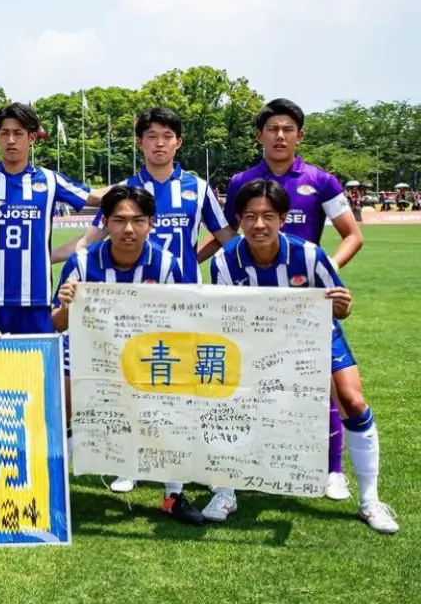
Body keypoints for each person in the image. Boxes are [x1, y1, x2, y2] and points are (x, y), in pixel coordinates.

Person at [56, 106, 234, 494]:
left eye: (166, 136)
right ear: (140, 143)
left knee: (178, 384)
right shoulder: (127, 190)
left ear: (178, 142)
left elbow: (225, 239)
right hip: (130, 304)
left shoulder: (198, 187)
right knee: (128, 380)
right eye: (151, 136)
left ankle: (181, 464)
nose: (159, 143)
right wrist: (50, 258)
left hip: (184, 296)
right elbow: (92, 238)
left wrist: (210, 266)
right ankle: (129, 463)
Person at [206, 179, 398, 534]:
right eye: (250, 217)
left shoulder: (309, 254)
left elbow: (340, 308)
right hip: (254, 344)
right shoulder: (224, 261)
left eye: (267, 216)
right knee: (223, 403)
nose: (259, 225)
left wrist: (344, 305)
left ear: (282, 218)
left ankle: (370, 500)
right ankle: (224, 490)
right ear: (239, 219)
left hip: (314, 339)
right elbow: (225, 317)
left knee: (353, 402)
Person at [202, 98, 363, 502]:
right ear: (259, 135)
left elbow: (352, 235)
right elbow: (228, 236)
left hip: (306, 300)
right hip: (255, 303)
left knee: (326, 385)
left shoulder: (321, 180)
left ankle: (334, 471)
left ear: (299, 135)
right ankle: (240, 472)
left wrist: (324, 278)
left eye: (287, 129)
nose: (279, 136)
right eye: (272, 129)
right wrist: (189, 263)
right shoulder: (242, 182)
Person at [52, 186, 200, 524]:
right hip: (87, 352)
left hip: (147, 355)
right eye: (118, 220)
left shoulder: (166, 264)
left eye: (137, 221)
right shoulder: (83, 262)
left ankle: (173, 493)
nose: (128, 229)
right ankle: (52, 486)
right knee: (63, 406)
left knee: (167, 408)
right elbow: (56, 324)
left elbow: (188, 320)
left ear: (151, 223)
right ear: (105, 222)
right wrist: (65, 305)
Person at [0, 102, 101, 336]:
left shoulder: (50, 181)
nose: (11, 140)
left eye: (18, 133)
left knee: (35, 370)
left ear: (32, 137)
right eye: (5, 133)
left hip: (36, 299)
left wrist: (139, 191)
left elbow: (99, 198)